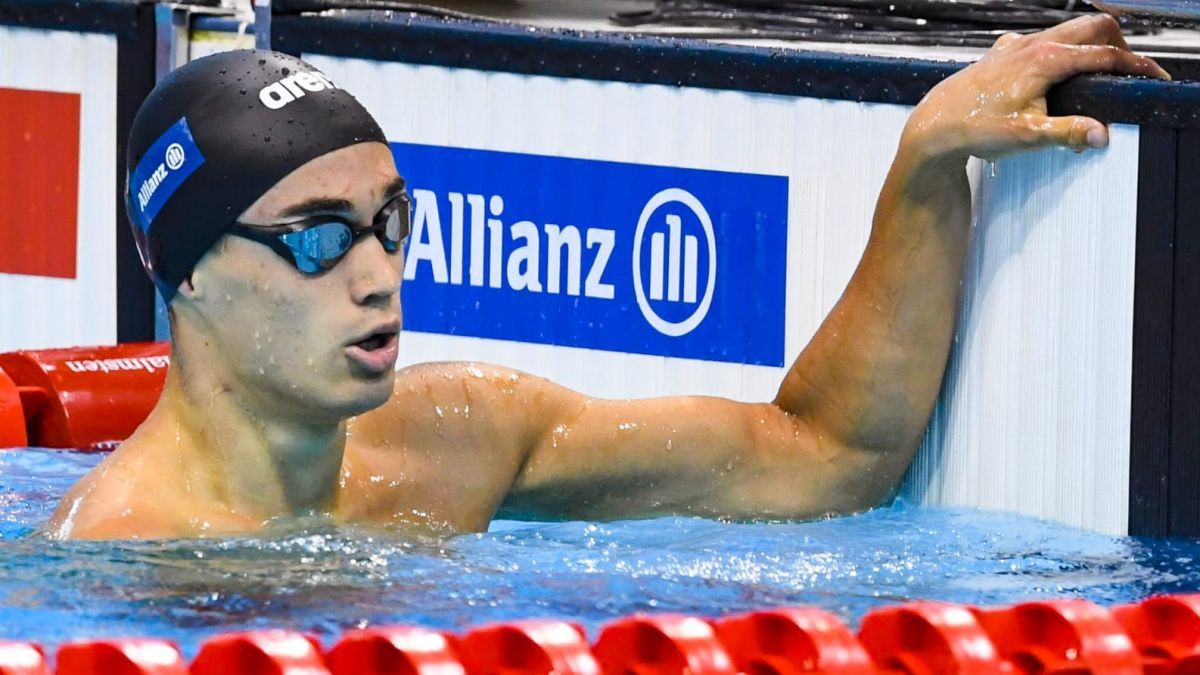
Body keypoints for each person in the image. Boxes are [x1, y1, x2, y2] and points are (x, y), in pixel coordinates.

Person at [49, 16, 1168, 539]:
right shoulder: (129, 557)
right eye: (317, 237)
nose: (378, 272)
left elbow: (826, 459)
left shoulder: (457, 438)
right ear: (187, 271)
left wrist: (930, 159)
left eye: (391, 221)